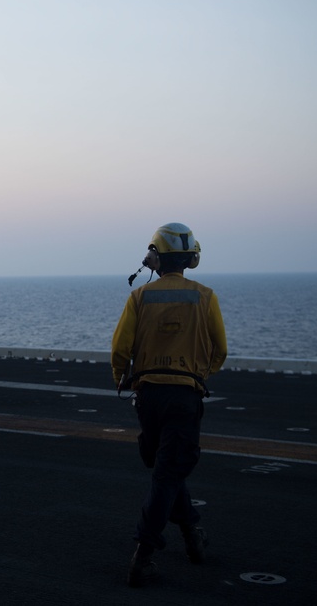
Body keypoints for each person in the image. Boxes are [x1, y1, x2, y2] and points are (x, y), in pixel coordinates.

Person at [111, 222, 228, 587]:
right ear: (191, 259)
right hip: (184, 396)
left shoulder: (140, 298)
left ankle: (192, 532)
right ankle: (143, 554)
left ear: (153, 258)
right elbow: (219, 349)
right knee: (169, 470)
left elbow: (120, 349)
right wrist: (198, 374)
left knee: (166, 467)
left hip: (148, 397)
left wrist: (121, 376)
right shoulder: (205, 297)